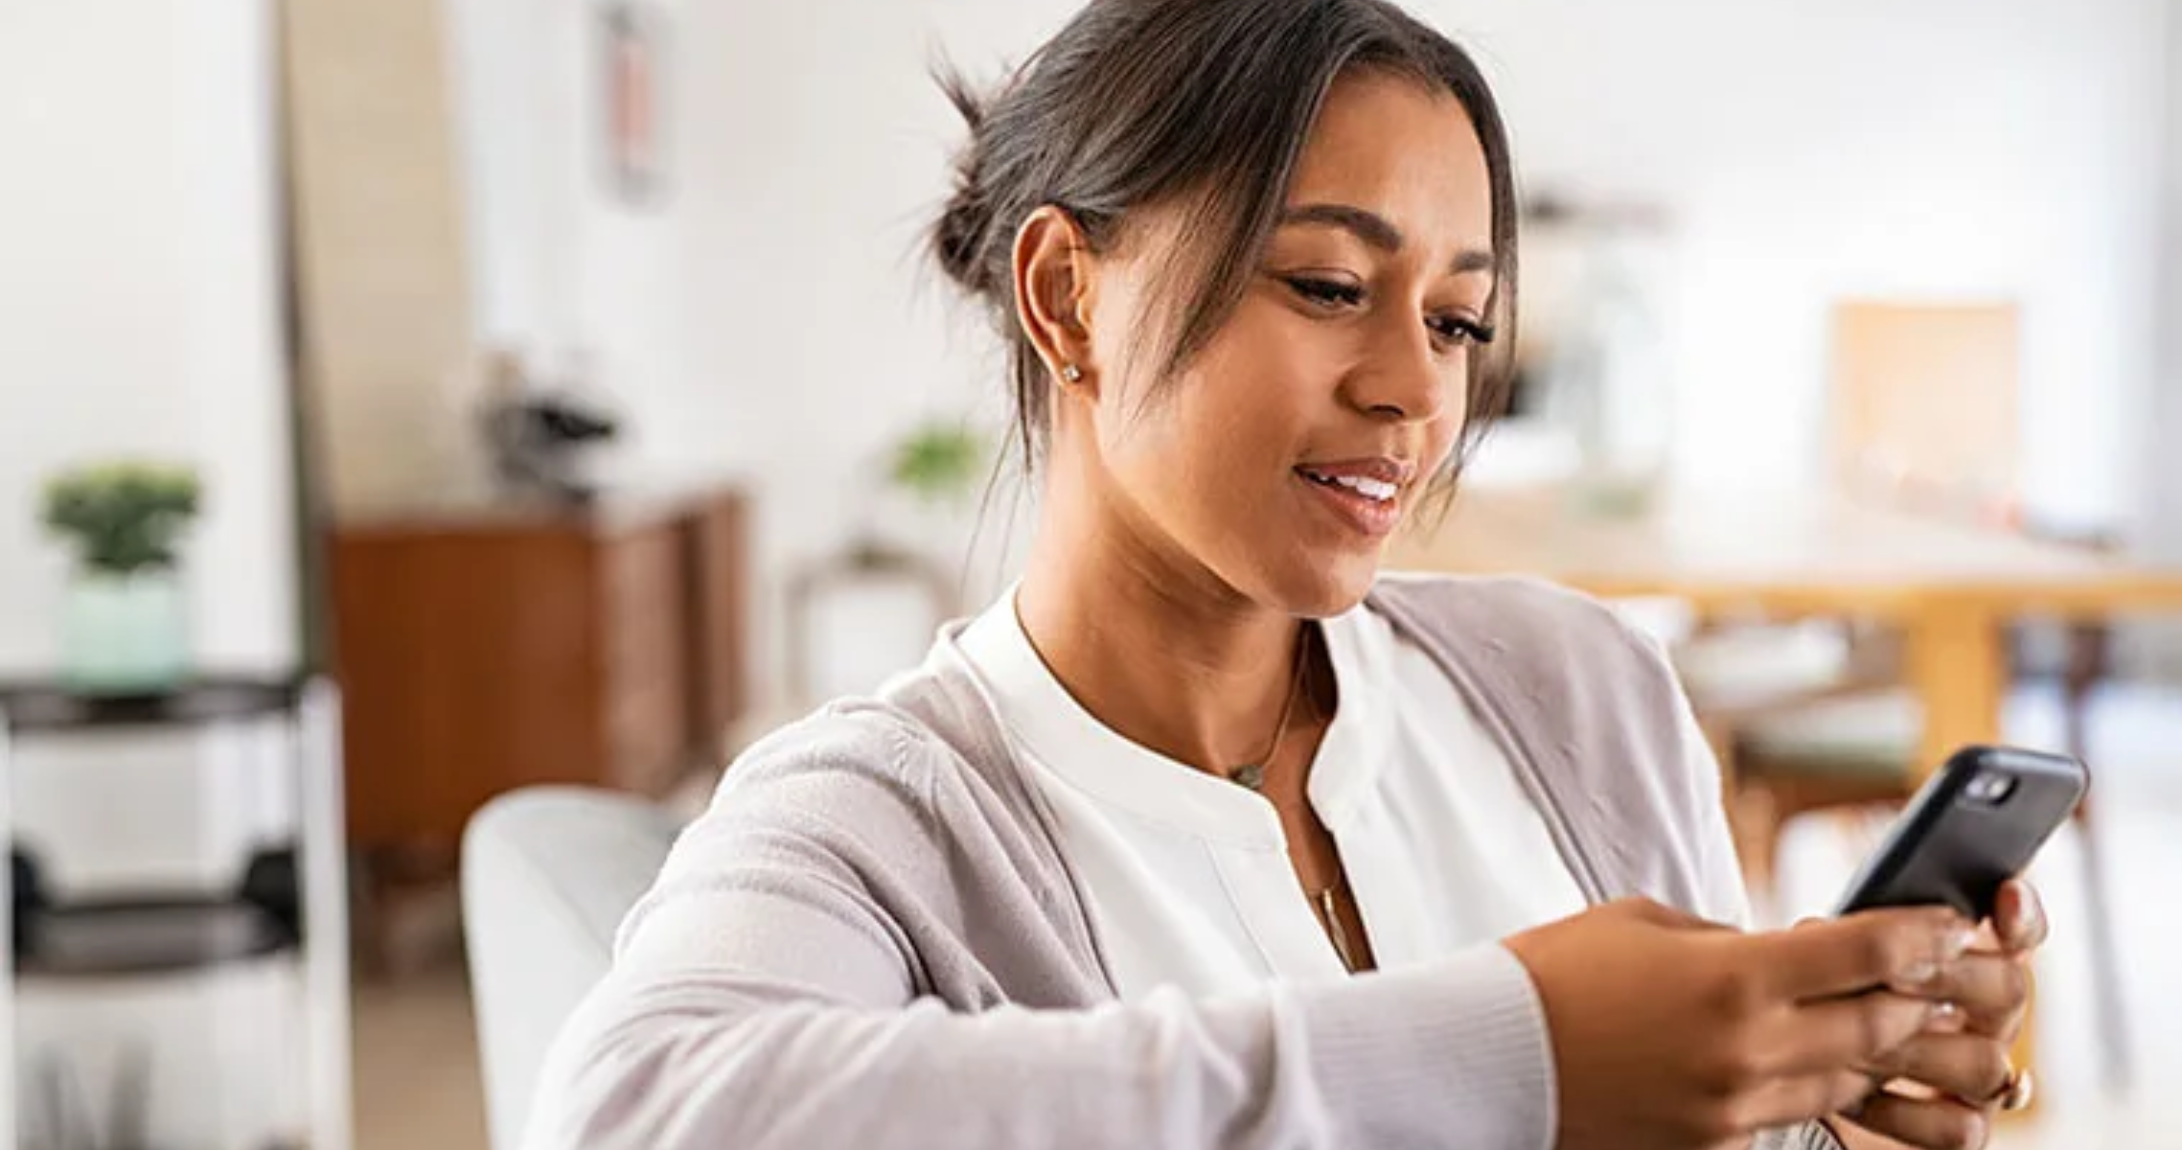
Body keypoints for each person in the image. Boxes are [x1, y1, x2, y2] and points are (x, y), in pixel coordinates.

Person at [527, 1, 2046, 1147]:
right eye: (1327, 286)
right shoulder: (884, 816)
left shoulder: (1580, 686)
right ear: (1066, 297)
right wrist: (1513, 1053)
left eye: (1455, 320)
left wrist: (1813, 1094)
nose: (1413, 390)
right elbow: (635, 1112)